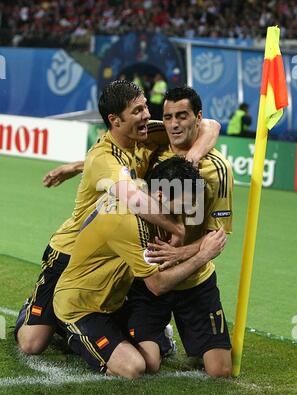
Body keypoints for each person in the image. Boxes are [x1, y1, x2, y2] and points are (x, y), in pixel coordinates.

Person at [15, 81, 220, 355]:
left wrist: (192, 159)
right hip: (71, 252)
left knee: (116, 302)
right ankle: (42, 314)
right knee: (32, 343)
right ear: (115, 120)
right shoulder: (104, 157)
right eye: (138, 110)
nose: (147, 114)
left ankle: (113, 329)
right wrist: (176, 228)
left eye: (146, 106)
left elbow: (211, 125)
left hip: (115, 249)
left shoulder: (143, 134)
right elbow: (132, 197)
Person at [53, 157, 227, 378]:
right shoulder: (126, 222)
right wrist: (203, 255)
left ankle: (146, 339)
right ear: (162, 196)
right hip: (81, 307)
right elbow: (157, 285)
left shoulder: (143, 193)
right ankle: (66, 331)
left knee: (150, 361)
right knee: (133, 367)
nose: (186, 214)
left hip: (113, 304)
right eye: (184, 205)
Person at [126, 86, 233, 378]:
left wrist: (181, 252)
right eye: (169, 116)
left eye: (182, 116)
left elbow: (217, 237)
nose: (174, 124)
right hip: (151, 275)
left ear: (198, 117)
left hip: (196, 280)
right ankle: (162, 338)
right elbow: (113, 157)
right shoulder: (151, 148)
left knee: (220, 370)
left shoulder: (218, 169)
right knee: (147, 364)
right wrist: (75, 167)